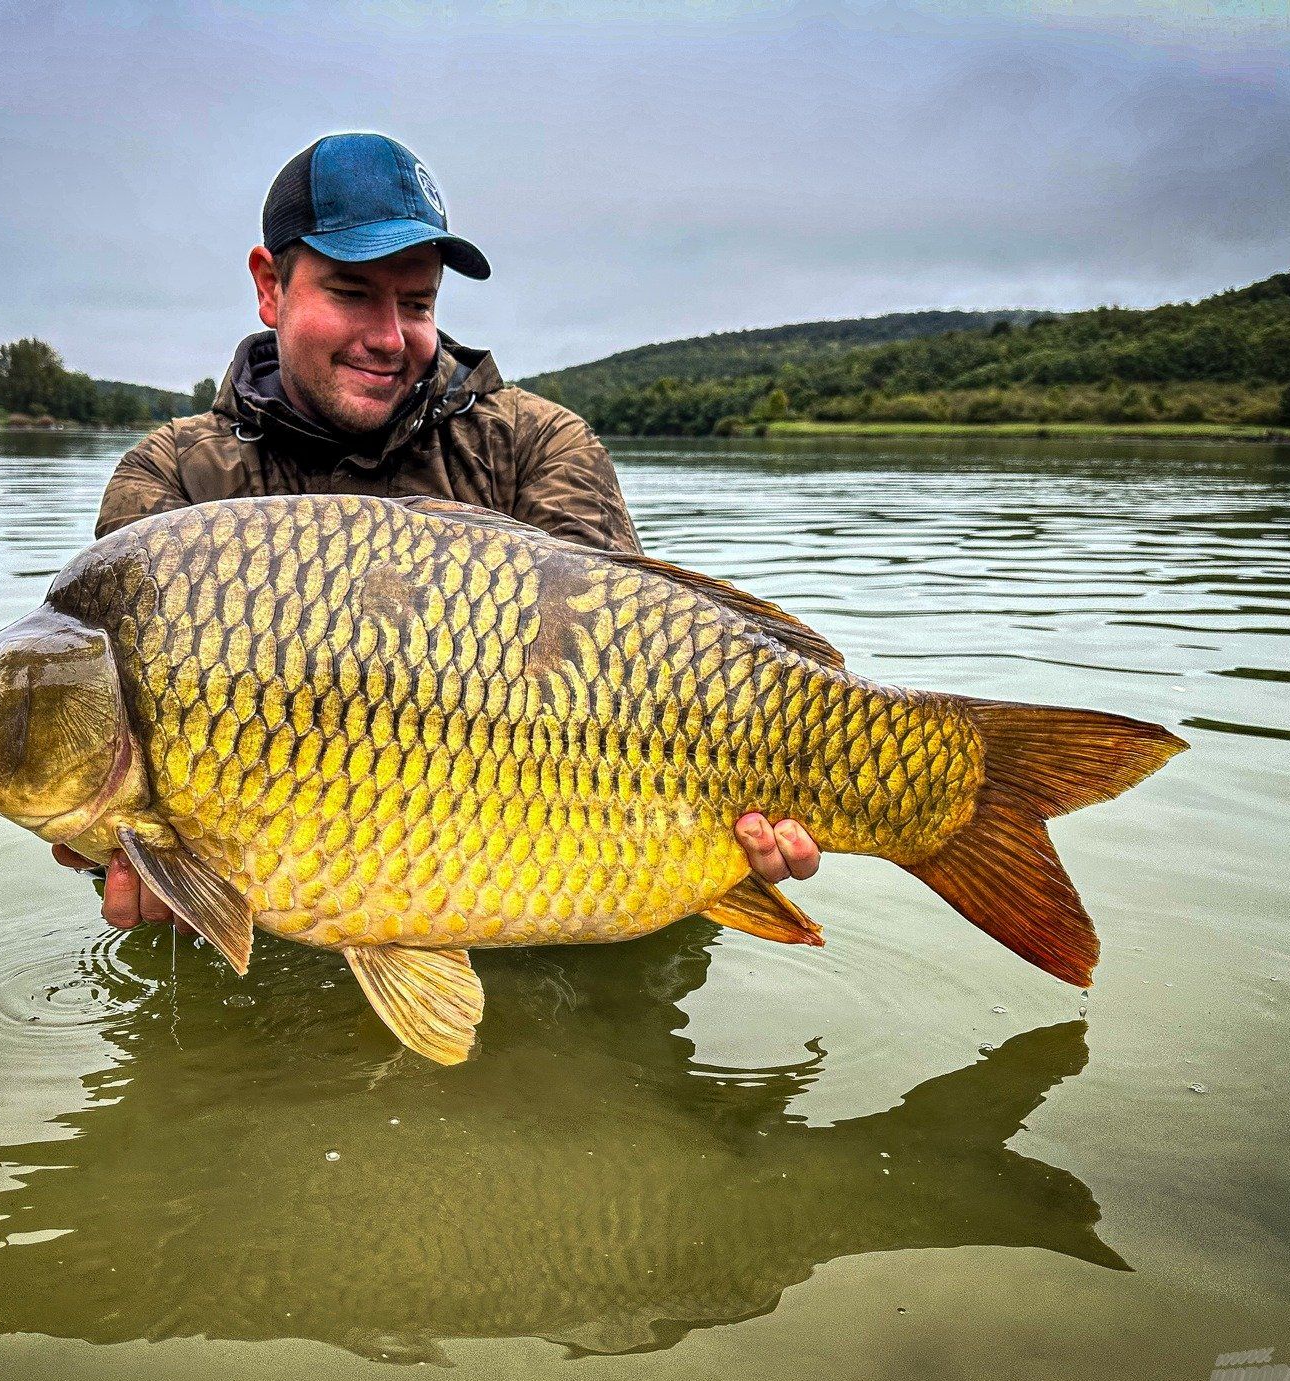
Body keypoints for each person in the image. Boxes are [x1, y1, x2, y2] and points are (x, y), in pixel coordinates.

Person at [56, 132, 820, 931]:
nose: (389, 337)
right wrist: (131, 854)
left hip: (563, 890)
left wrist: (765, 792)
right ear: (270, 285)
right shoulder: (174, 483)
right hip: (291, 928)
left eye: (416, 303)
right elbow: (118, 764)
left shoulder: (539, 446)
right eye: (352, 293)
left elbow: (625, 677)